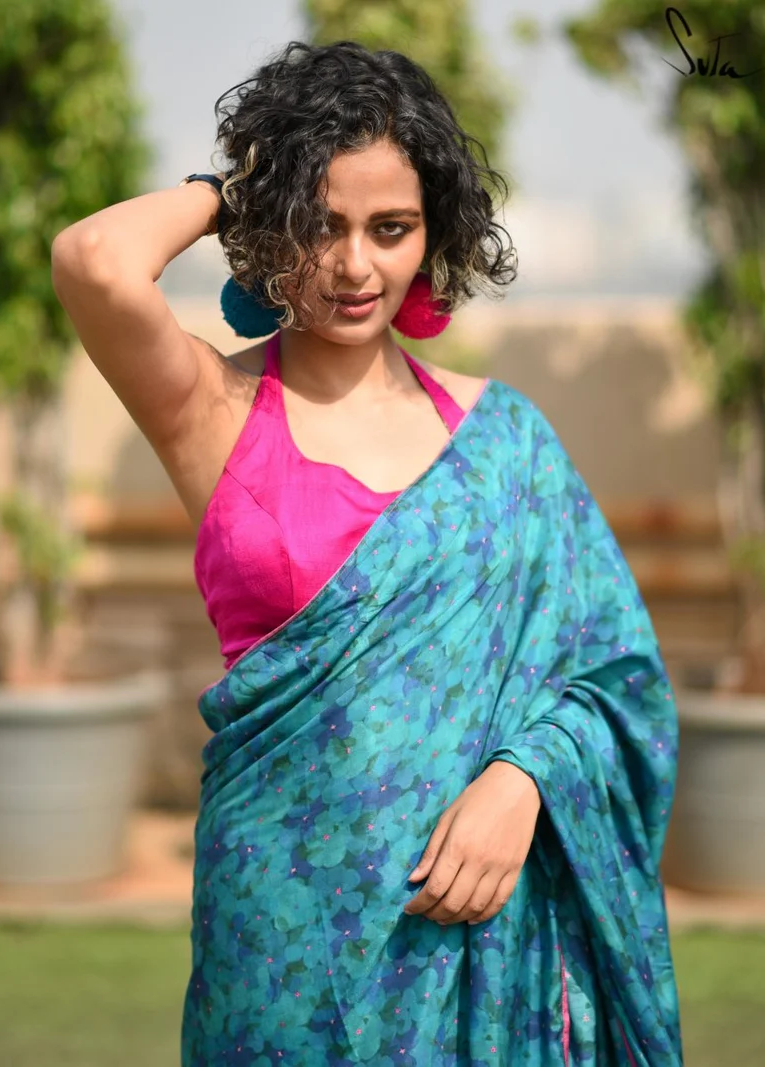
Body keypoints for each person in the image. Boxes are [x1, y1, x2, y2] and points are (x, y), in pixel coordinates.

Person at [51, 38, 683, 1067]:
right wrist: (241, 188)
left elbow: (617, 675)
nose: (354, 266)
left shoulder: (504, 441)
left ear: (433, 234)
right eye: (320, 225)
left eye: (390, 228)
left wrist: (525, 778)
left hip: (478, 929)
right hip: (279, 939)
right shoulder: (212, 409)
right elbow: (92, 259)